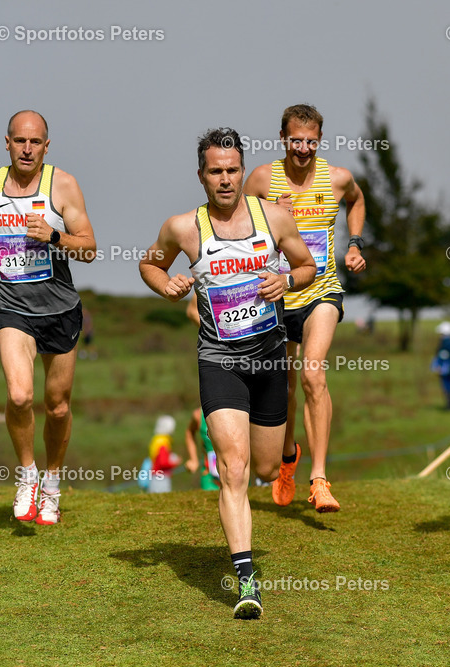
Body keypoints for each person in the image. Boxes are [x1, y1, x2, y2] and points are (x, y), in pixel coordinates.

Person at [139, 127, 316, 618]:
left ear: (243, 171)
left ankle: (287, 456)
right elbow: (148, 265)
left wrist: (286, 279)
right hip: (219, 359)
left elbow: (307, 267)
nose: (224, 179)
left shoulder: (274, 217)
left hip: (268, 357)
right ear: (201, 175)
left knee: (261, 469)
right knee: (232, 469)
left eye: (232, 170)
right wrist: (168, 283)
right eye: (215, 171)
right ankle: (246, 583)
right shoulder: (183, 228)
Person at [0, 110, 97, 525]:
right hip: (10, 306)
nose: (27, 149)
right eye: (20, 141)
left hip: (60, 309)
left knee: (56, 406)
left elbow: (89, 248)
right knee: (20, 395)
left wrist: (53, 235)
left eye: (35, 142)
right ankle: (26, 474)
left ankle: (52, 483)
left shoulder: (64, 185)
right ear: (7, 142)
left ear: (46, 146)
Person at [243, 104, 366, 513]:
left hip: (322, 291)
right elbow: (235, 224)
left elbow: (357, 200)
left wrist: (354, 244)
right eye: (296, 140)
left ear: (319, 140)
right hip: (276, 295)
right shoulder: (262, 178)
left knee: (313, 374)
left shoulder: (338, 179)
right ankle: (287, 459)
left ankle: (320, 478)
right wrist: (271, 220)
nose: (303, 149)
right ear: (283, 138)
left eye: (311, 141)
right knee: (288, 387)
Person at [185, 407, 221, 491]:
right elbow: (189, 432)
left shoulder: (239, 410)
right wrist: (193, 459)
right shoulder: (199, 415)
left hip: (236, 471)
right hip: (209, 476)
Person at [147, 415, 182, 493]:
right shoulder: (163, 442)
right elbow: (163, 462)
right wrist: (175, 463)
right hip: (161, 477)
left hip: (156, 476)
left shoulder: (156, 439)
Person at [432, 321, 450, 410]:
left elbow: (443, 357)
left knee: (448, 387)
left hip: (446, 370)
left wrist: (438, 366)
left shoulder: (446, 343)